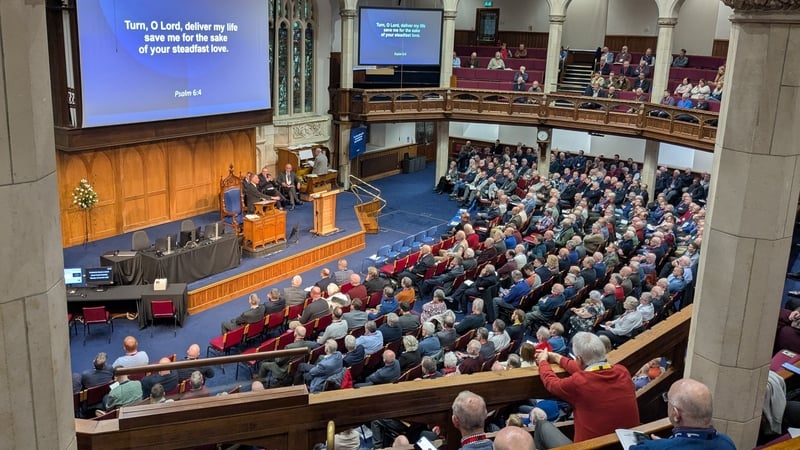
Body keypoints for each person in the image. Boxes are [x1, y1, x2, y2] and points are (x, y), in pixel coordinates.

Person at [535, 332, 639, 447]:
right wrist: (557, 357)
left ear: (578, 359)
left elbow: (551, 383)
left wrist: (543, 362)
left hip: (590, 447)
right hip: (627, 445)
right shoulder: (623, 371)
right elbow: (589, 371)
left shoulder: (579, 383)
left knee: (541, 425)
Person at [631, 378, 735, 449]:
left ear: (676, 414)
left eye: (668, 400)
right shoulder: (727, 443)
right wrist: (670, 443)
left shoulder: (648, 448)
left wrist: (662, 445)